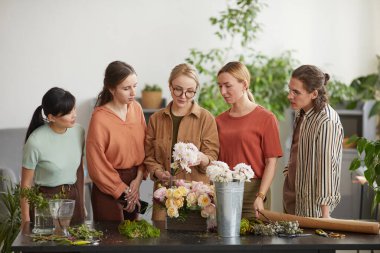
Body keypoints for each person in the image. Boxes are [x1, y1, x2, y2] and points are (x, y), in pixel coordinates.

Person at [144, 63, 219, 222]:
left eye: (190, 91)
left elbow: (212, 156)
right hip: (164, 198)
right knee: (162, 242)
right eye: (178, 89)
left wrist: (202, 158)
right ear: (170, 86)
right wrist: (158, 172)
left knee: (195, 241)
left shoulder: (206, 119)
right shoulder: (156, 119)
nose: (183, 96)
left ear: (196, 90)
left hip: (197, 197)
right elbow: (149, 157)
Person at [216, 61, 283, 219]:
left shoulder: (266, 118)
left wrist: (260, 196)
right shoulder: (218, 121)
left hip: (255, 193)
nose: (223, 91)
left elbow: (271, 162)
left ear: (244, 84)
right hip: (225, 191)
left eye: (228, 85)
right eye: (220, 86)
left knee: (255, 241)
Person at [86, 61, 146, 221]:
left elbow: (146, 147)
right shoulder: (99, 118)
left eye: (135, 86)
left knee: (134, 240)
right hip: (108, 188)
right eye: (126, 88)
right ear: (111, 89)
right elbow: (95, 163)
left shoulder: (137, 108)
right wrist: (122, 191)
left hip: (134, 184)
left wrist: (137, 181)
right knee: (112, 241)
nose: (133, 92)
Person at [283, 64, 343, 218]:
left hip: (312, 210)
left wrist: (325, 215)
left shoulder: (326, 121)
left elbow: (327, 167)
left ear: (314, 94)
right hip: (292, 200)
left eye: (296, 92)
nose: (290, 96)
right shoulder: (301, 113)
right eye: (290, 90)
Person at [21, 87, 85, 225]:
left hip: (73, 197)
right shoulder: (35, 141)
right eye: (67, 113)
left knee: (77, 243)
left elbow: (79, 169)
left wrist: (82, 204)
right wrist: (25, 221)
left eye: (74, 108)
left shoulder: (79, 132)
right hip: (46, 201)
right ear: (51, 117)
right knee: (50, 245)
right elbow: (26, 185)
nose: (74, 114)